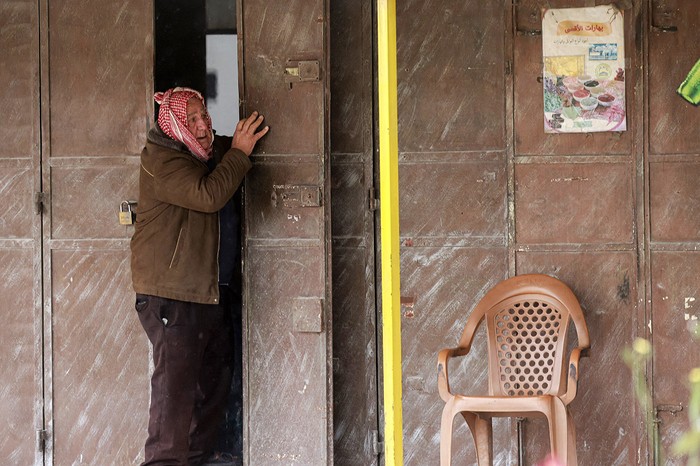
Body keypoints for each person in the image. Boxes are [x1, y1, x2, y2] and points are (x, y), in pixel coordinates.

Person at [130, 87, 268, 466]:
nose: (203, 124)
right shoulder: (163, 161)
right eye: (191, 119)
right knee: (174, 395)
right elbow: (208, 195)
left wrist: (239, 145)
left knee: (212, 385)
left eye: (204, 115)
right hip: (173, 297)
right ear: (174, 125)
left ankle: (194, 459)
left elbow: (224, 159)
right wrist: (239, 153)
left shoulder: (201, 154)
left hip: (207, 294)